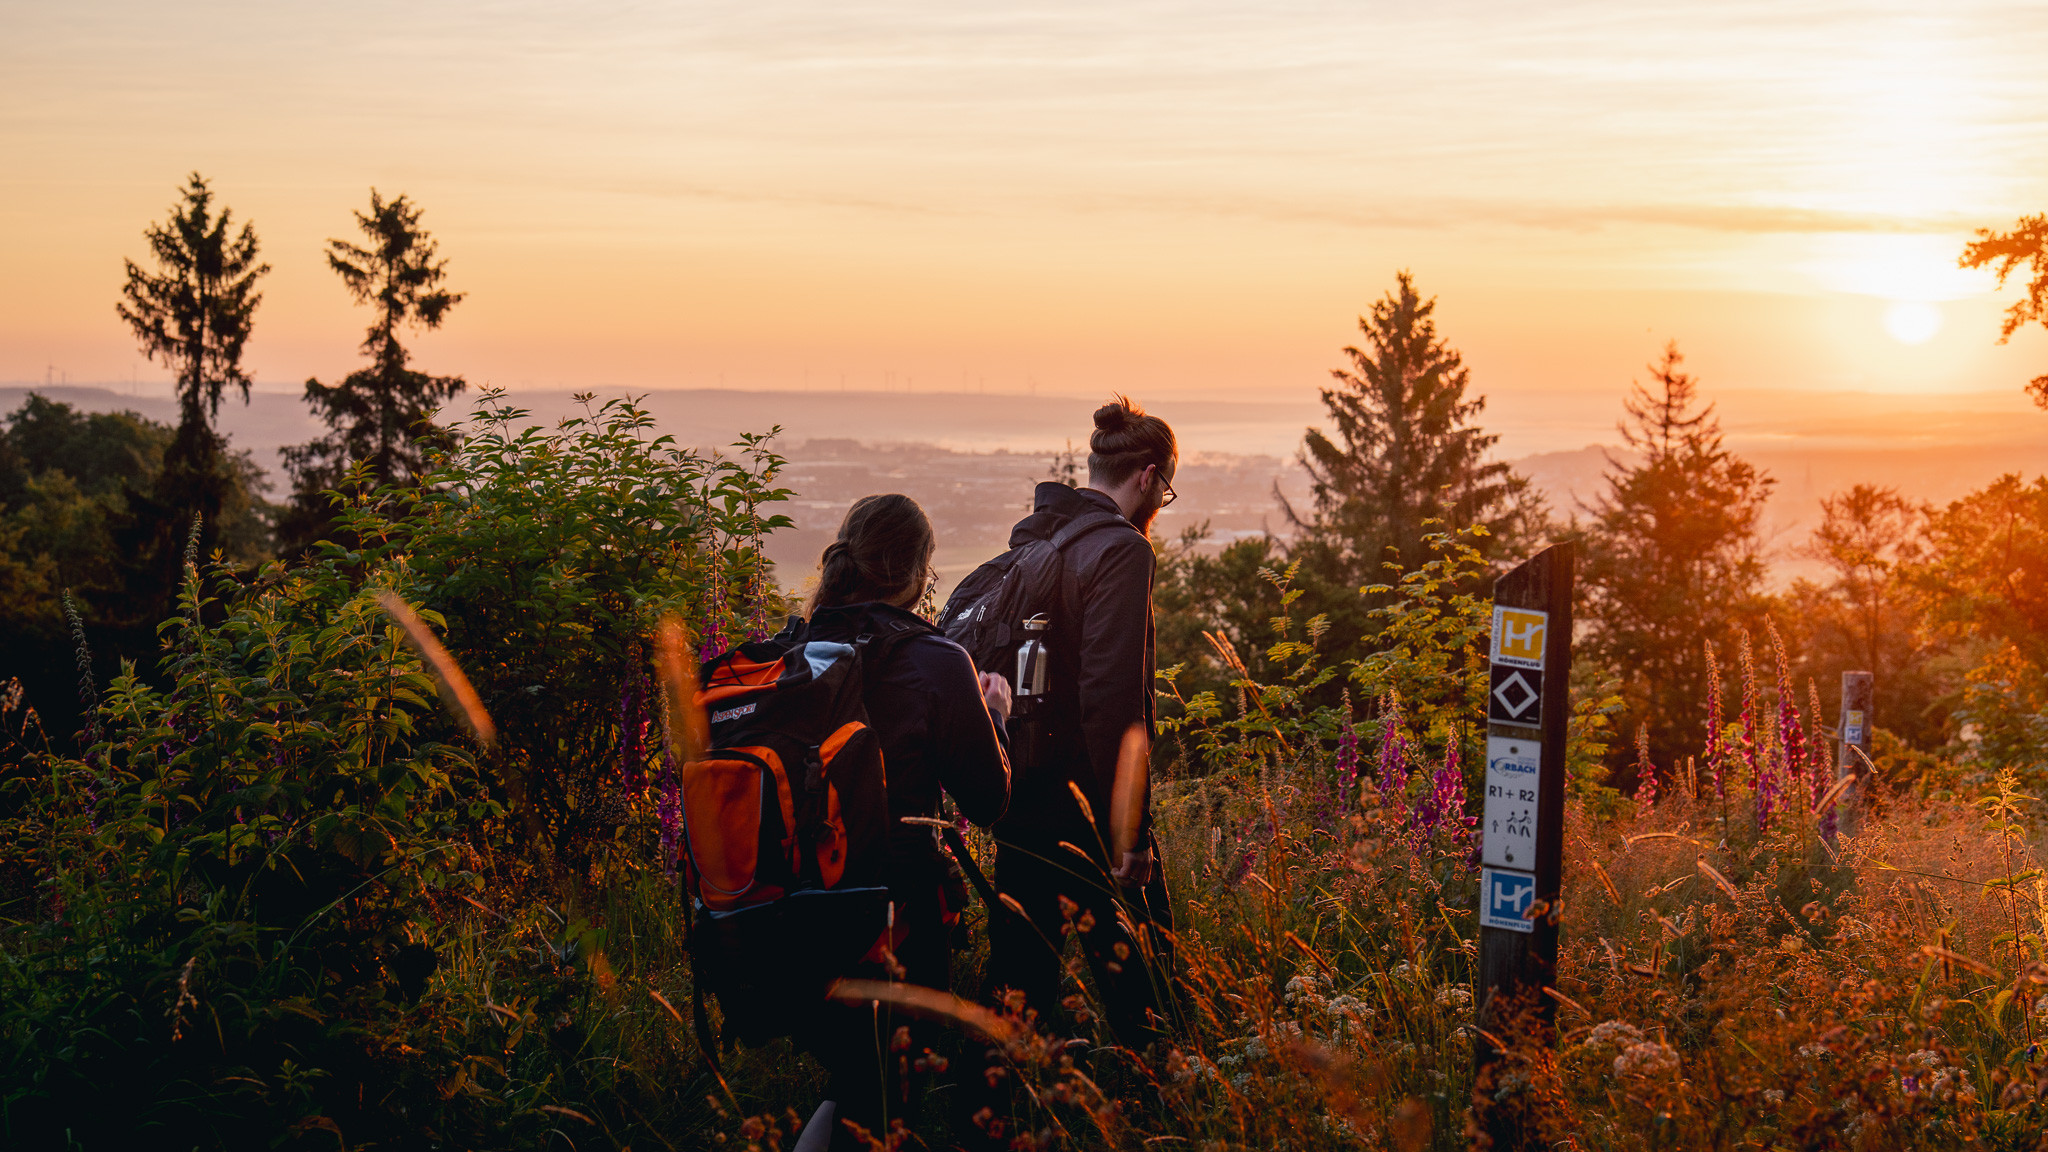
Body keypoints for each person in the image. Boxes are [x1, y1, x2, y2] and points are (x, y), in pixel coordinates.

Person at [790, 494, 1013, 1152]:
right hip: (897, 919)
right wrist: (994, 713)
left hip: (796, 912)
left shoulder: (796, 652)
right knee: (883, 1096)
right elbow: (987, 801)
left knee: (858, 1082)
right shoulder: (937, 662)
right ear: (921, 569)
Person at [983, 396, 1179, 1051]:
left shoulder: (1039, 539)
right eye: (1166, 489)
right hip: (1085, 810)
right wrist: (1131, 830)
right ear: (1148, 478)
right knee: (1146, 986)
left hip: (1020, 792)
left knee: (1018, 986)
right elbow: (1113, 702)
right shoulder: (1122, 552)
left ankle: (992, 1110)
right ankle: (1160, 1111)